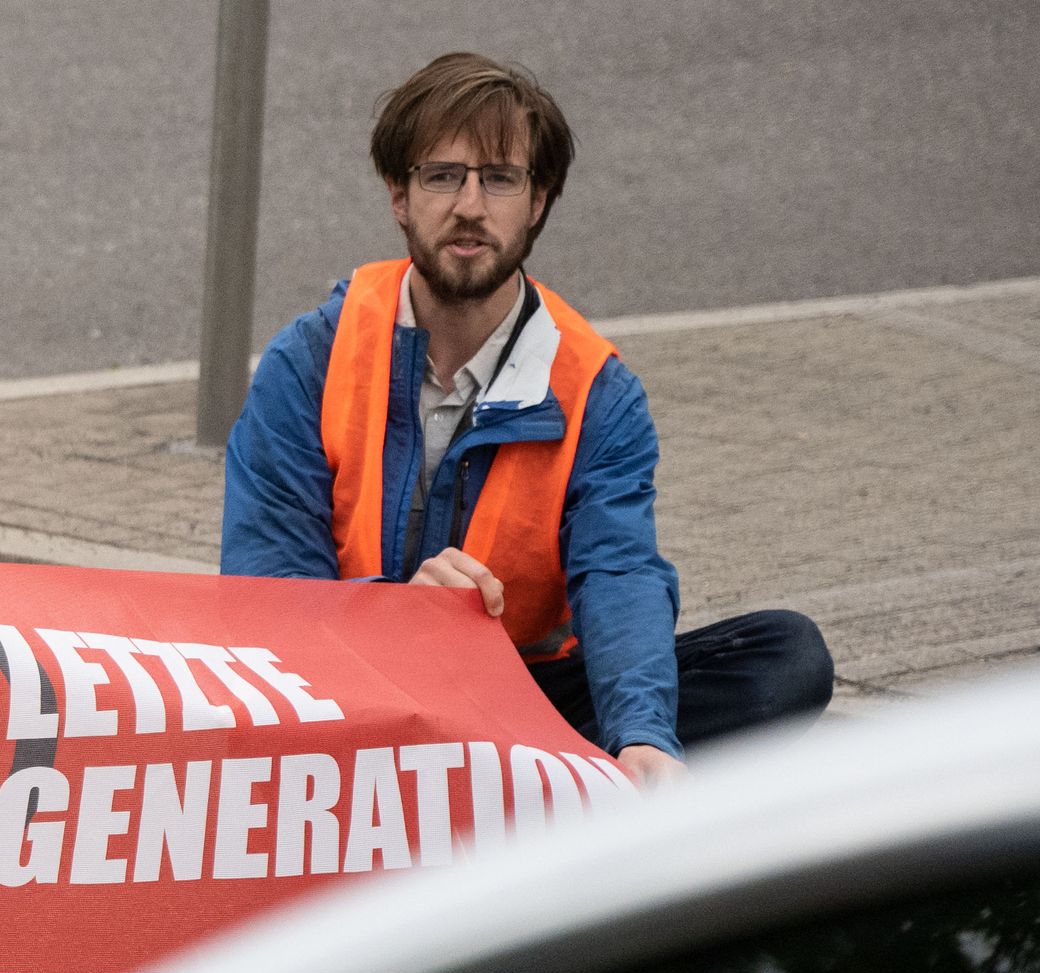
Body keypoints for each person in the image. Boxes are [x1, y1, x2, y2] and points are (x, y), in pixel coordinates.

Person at [221, 52, 832, 781]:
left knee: (787, 656)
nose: (469, 206)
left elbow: (619, 572)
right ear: (398, 196)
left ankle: (533, 779)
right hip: (352, 686)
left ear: (537, 201)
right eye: (441, 175)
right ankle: (524, 794)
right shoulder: (309, 361)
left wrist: (641, 733)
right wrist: (398, 615)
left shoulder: (597, 390)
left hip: (522, 698)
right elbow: (269, 593)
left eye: (499, 179)